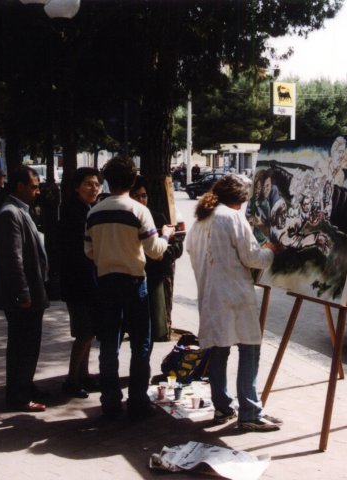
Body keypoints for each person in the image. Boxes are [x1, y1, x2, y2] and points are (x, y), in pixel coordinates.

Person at [185, 174, 282, 432]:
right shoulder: (231, 216)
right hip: (234, 296)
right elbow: (253, 258)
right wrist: (270, 250)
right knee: (249, 349)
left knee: (219, 349)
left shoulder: (201, 221)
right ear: (240, 201)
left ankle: (222, 407)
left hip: (211, 296)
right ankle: (249, 411)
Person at [85, 155, 175, 420]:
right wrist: (166, 236)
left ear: (107, 181)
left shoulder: (94, 212)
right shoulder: (139, 211)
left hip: (105, 283)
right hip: (134, 284)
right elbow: (155, 251)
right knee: (140, 345)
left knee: (109, 345)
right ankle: (137, 401)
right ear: (133, 180)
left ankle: (110, 401)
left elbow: (88, 250)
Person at [0, 166, 50, 413]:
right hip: (21, 295)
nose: (37, 192)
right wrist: (22, 293)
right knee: (21, 345)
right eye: (33, 186)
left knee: (30, 343)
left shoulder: (21, 211)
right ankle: (18, 395)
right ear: (20, 187)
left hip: (31, 291)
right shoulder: (9, 214)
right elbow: (12, 259)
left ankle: (26, 385)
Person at [58, 167, 101, 398]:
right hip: (78, 281)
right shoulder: (72, 212)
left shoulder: (89, 209)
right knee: (84, 332)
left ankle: (83, 375)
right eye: (88, 184)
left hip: (88, 280)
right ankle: (72, 380)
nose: (93, 188)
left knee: (89, 331)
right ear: (76, 187)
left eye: (96, 184)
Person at [130, 176, 183, 343]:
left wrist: (162, 256)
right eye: (136, 195)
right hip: (131, 281)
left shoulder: (157, 218)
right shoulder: (124, 219)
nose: (140, 200)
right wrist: (154, 254)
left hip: (154, 280)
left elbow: (177, 246)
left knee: (151, 332)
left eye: (143, 195)